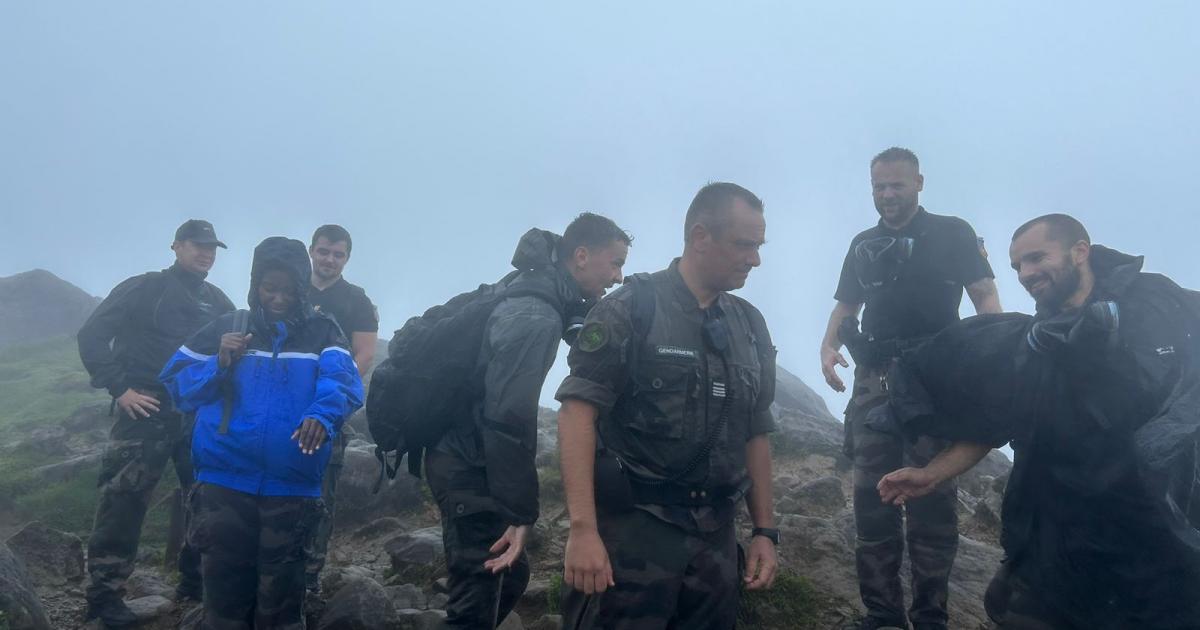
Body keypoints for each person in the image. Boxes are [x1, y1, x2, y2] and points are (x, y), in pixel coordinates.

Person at [878, 214, 1200, 629]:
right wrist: (931, 474)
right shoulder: (1033, 345)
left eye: (1035, 258)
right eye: (1017, 266)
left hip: (1150, 546)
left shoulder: (1156, 309)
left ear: (1079, 251)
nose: (1026, 274)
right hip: (1054, 548)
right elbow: (992, 422)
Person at [556, 183, 779, 629]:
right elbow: (577, 414)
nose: (754, 258)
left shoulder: (749, 325)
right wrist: (582, 530)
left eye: (758, 246)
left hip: (716, 544)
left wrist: (764, 532)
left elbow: (756, 430)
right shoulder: (630, 308)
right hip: (634, 537)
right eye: (743, 245)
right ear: (700, 237)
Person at [819, 147, 1002, 630]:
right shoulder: (862, 243)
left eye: (896, 185)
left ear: (919, 182)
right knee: (871, 498)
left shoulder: (954, 232)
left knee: (932, 499)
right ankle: (882, 615)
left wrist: (997, 353)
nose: (887, 195)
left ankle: (930, 618)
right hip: (875, 379)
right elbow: (846, 305)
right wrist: (826, 347)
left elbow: (984, 294)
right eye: (878, 186)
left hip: (937, 377)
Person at [426, 212, 631, 628]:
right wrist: (520, 512)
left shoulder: (539, 287)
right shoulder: (536, 313)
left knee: (512, 573)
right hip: (468, 462)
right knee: (475, 601)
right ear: (581, 256)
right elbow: (507, 416)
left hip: (467, 454)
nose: (618, 276)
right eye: (614, 263)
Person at [160, 236, 364, 629]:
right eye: (270, 287)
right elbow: (177, 387)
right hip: (223, 483)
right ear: (256, 285)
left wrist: (321, 415)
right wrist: (219, 362)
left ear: (302, 288)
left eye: (289, 289)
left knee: (283, 603)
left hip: (293, 486)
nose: (279, 298)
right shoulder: (227, 328)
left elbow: (344, 384)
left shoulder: (324, 332)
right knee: (223, 600)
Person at [77, 219, 235, 627]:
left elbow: (239, 352)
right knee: (123, 503)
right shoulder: (144, 288)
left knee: (205, 497)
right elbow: (92, 334)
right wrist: (119, 388)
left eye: (211, 247)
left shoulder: (219, 302)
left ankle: (194, 583)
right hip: (144, 409)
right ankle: (104, 597)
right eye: (197, 245)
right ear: (176, 246)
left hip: (195, 414)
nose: (205, 253)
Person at [302, 224, 378, 601]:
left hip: (328, 411)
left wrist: (334, 396)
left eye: (338, 254)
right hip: (281, 406)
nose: (329, 260)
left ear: (346, 258)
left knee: (320, 493)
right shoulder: (290, 289)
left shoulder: (356, 301)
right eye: (324, 251)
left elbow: (364, 353)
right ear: (311, 250)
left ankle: (309, 577)